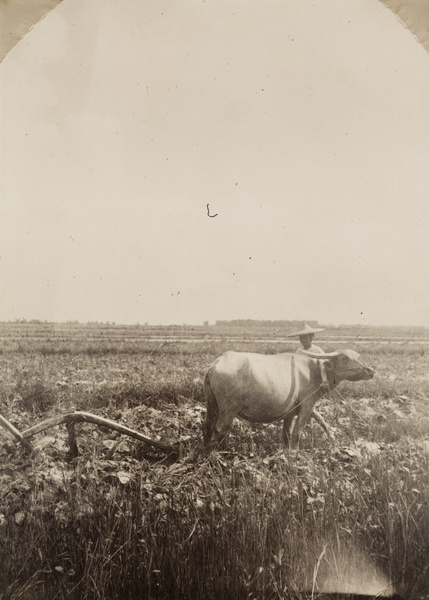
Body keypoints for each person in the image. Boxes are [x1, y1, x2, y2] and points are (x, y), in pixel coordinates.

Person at [286, 323, 330, 393]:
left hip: (315, 381)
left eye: (306, 337)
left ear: (311, 337)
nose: (304, 340)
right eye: (301, 338)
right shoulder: (298, 351)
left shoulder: (317, 350)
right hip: (301, 382)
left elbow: (323, 366)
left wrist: (324, 381)